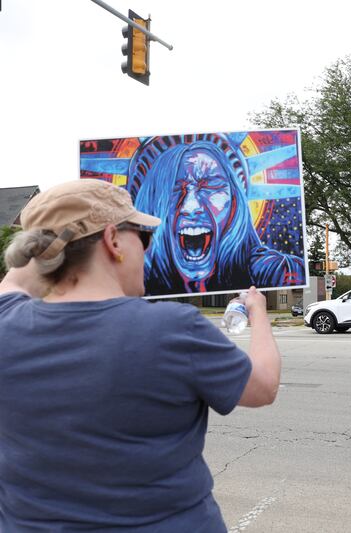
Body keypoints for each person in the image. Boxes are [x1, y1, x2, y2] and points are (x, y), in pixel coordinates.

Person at [0, 179, 281, 531]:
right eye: (143, 237)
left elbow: (14, 281)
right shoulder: (172, 328)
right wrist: (257, 313)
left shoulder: (5, 322)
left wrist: (52, 241)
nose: (148, 251)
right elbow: (263, 386)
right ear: (112, 240)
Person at [130, 136, 305, 295]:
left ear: (235, 201)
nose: (191, 207)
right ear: (152, 204)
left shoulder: (277, 270)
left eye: (210, 187)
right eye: (174, 190)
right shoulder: (132, 278)